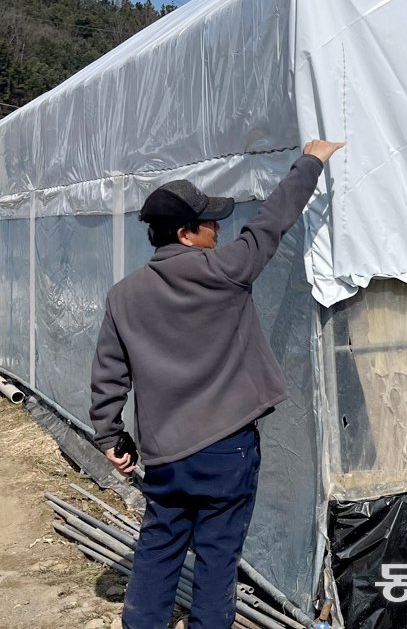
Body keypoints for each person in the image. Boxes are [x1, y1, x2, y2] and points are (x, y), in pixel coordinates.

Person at [89, 139, 344, 629]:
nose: (218, 228)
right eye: (209, 223)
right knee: (216, 561)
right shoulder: (226, 271)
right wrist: (311, 160)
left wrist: (110, 438)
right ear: (186, 234)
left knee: (159, 549)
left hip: (165, 453)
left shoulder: (124, 296)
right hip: (227, 450)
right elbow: (272, 221)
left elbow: (108, 375)